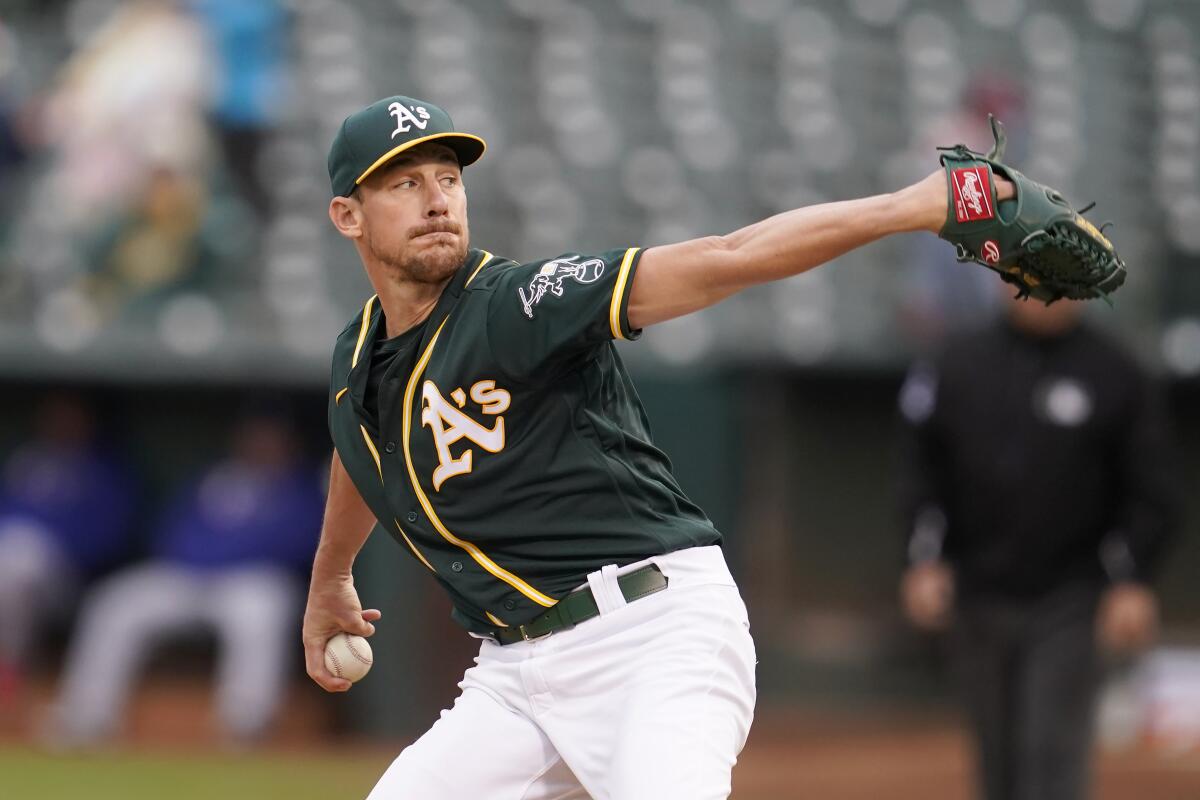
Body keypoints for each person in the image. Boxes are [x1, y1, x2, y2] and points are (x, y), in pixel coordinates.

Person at [302, 94, 1015, 799]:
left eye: (448, 179)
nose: (436, 200)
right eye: (404, 183)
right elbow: (359, 446)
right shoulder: (360, 356)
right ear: (348, 216)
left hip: (651, 634)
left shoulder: (518, 304)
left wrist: (917, 206)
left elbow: (729, 256)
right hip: (514, 679)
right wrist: (332, 575)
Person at [897, 294, 1178, 800]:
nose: (1042, 288)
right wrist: (922, 561)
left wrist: (1132, 578)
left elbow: (1153, 492)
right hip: (977, 593)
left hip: (1070, 598)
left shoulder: (1115, 370)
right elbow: (920, 473)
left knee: (1050, 760)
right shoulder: (957, 363)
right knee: (997, 763)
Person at [47, 410, 323, 746]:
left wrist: (229, 552)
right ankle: (87, 717)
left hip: (250, 580)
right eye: (254, 436)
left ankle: (245, 724)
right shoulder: (214, 480)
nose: (261, 444)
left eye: (271, 438)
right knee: (117, 602)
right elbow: (171, 532)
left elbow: (300, 543)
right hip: (187, 575)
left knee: (261, 610)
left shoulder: (301, 489)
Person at [0, 394, 134, 707]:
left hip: (67, 577)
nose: (60, 425)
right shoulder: (26, 461)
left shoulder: (104, 471)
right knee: (16, 551)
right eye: (54, 417)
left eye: (69, 417)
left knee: (22, 557)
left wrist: (52, 540)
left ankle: (7, 665)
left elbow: (108, 537)